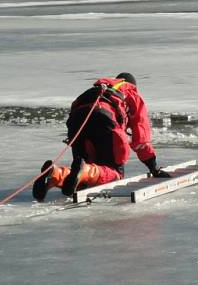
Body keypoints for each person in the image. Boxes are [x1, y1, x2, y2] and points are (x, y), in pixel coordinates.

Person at [33, 73, 171, 201]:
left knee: (84, 179)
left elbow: (75, 109)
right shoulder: (131, 93)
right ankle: (85, 170)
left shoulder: (97, 90)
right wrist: (153, 167)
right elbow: (141, 136)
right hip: (105, 121)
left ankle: (55, 175)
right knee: (114, 174)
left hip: (77, 122)